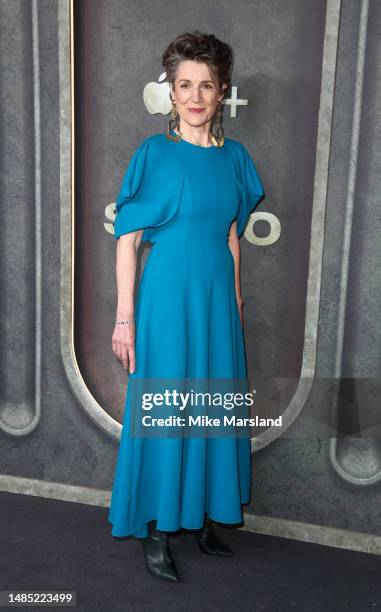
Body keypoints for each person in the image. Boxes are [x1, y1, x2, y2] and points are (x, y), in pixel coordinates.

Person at [108, 30, 265, 583]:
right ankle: (156, 528)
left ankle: (202, 517)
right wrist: (125, 317)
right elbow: (127, 239)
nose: (195, 95)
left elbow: (230, 236)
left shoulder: (236, 159)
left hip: (217, 298)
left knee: (212, 403)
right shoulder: (155, 153)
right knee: (167, 405)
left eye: (206, 85)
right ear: (170, 93)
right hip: (168, 297)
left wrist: (238, 300)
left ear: (222, 92)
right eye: (184, 85)